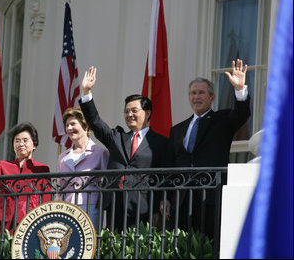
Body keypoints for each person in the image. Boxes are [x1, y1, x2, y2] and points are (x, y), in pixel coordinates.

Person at [166, 59, 251, 238]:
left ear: (212, 97)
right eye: (193, 93)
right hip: (181, 200)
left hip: (210, 196)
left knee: (209, 246)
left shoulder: (222, 120)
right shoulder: (177, 129)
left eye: (201, 93)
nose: (196, 97)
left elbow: (242, 114)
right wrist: (166, 198)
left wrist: (239, 89)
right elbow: (170, 163)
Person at [79, 66, 169, 230]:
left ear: (147, 113)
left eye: (134, 110)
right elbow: (96, 123)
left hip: (144, 205)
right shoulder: (117, 138)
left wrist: (159, 206)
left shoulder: (161, 143)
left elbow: (164, 177)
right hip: (115, 203)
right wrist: (86, 93)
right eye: (126, 111)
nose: (129, 115)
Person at [0, 122, 52, 235]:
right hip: (6, 224)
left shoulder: (42, 169)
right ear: (13, 146)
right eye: (17, 141)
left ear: (34, 145)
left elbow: (46, 200)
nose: (21, 144)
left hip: (31, 223)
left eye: (25, 140)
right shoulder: (3, 166)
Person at [57, 107, 109, 231]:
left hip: (90, 205)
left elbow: (108, 182)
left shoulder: (100, 153)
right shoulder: (62, 157)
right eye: (67, 125)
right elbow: (60, 185)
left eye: (73, 124)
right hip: (67, 207)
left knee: (88, 245)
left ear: (85, 125)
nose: (69, 128)